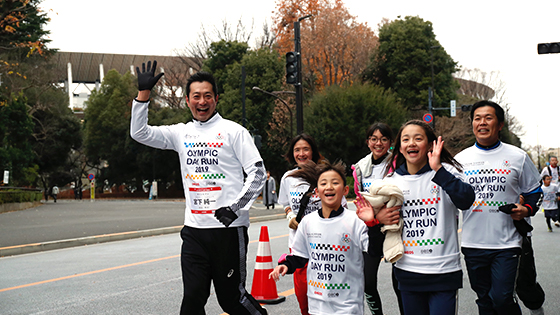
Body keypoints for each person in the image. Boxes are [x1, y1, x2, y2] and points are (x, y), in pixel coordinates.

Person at [130, 61, 267, 315]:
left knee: (231, 300)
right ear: (187, 100)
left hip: (228, 229)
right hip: (194, 231)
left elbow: (258, 173)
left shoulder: (233, 131)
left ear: (216, 99)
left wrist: (235, 209)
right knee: (192, 299)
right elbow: (139, 133)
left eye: (207, 96)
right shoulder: (180, 133)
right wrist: (143, 95)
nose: (201, 102)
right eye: (196, 97)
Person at [269, 160, 400, 314]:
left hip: (348, 306)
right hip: (317, 304)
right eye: (323, 183)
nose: (329, 187)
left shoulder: (355, 220)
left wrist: (372, 223)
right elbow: (300, 256)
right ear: (316, 192)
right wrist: (287, 265)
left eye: (335, 183)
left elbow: (374, 251)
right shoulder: (307, 222)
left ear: (345, 190)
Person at [455, 100, 543, 315]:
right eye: (477, 118)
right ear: (472, 124)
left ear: (500, 124)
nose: (482, 123)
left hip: (508, 243)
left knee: (502, 298)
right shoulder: (460, 160)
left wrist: (527, 210)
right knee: (484, 300)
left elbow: (534, 192)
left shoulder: (517, 156)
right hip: (473, 244)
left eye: (488, 117)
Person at [379, 120, 475, 315]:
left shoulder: (446, 172)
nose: (411, 143)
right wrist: (379, 217)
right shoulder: (391, 182)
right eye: (405, 139)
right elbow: (376, 229)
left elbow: (466, 200)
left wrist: (438, 170)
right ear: (399, 147)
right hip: (408, 271)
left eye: (418, 138)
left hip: (443, 270)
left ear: (431, 144)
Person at [352, 122, 404, 315]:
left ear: (391, 142)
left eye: (383, 139)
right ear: (368, 142)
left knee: (400, 283)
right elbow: (360, 201)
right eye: (374, 139)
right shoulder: (360, 167)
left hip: (396, 225)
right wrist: (375, 217)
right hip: (371, 227)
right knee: (367, 281)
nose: (378, 143)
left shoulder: (399, 163)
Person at [277, 133, 325, 315]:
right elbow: (285, 203)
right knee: (303, 298)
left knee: (324, 297)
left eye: (306, 149)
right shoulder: (288, 177)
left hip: (324, 246)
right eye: (297, 150)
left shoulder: (324, 174)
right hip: (298, 245)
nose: (302, 153)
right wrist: (290, 216)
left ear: (313, 151)